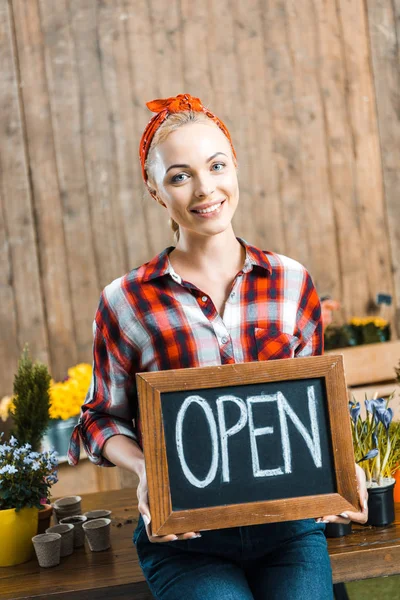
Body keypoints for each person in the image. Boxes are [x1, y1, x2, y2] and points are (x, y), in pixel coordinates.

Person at [68, 93, 367, 600]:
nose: (206, 189)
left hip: (288, 527)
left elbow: (314, 407)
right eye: (180, 175)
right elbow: (100, 419)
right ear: (156, 190)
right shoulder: (125, 300)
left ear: (235, 166)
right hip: (185, 539)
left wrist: (344, 464)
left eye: (216, 165)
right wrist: (147, 473)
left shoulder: (292, 282)